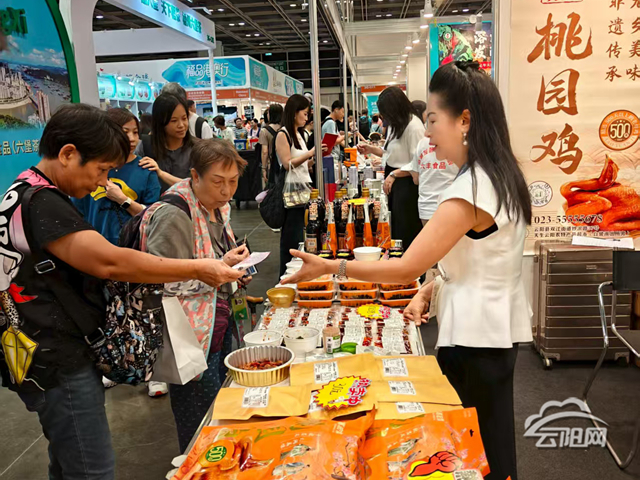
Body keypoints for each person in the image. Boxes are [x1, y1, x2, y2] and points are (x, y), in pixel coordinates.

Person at [283, 61, 533, 480]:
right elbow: (482, 259)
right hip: (493, 330)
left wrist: (330, 265)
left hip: (476, 337)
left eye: (433, 120)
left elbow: (405, 267)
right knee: (490, 440)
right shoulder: (498, 174)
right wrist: (429, 289)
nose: (427, 133)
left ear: (464, 121)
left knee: (476, 449)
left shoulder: (471, 188)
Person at [0, 104, 244, 480]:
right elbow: (110, 262)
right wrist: (200, 267)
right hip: (57, 358)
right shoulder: (43, 202)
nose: (101, 183)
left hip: (33, 354)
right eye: (100, 169)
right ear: (68, 154)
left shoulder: (22, 191)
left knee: (66, 462)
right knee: (92, 469)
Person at [141, 139, 250, 452]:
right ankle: (197, 464)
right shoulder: (174, 214)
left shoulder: (215, 206)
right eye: (218, 182)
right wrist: (209, 274)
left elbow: (210, 258)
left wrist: (227, 264)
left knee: (220, 402)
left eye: (233, 182)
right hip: (188, 333)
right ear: (195, 176)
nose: (226, 191)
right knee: (199, 415)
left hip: (216, 318)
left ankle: (221, 459)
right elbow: (157, 278)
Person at [73, 108, 161, 244]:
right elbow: (76, 213)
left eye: (135, 132)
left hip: (133, 248)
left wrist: (123, 200)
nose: (132, 139)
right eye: (125, 132)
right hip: (93, 246)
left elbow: (154, 217)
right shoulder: (90, 167)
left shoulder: (146, 169)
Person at [357, 86, 424, 249]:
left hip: (407, 186)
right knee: (396, 231)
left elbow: (419, 165)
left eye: (386, 113)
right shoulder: (397, 124)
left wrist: (395, 174)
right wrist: (371, 149)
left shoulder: (414, 127)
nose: (384, 117)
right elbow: (390, 154)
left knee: (406, 231)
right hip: (395, 184)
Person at [275, 94, 316, 276]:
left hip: (303, 189)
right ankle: (285, 276)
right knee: (292, 238)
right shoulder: (283, 134)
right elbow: (287, 164)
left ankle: (297, 274)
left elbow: (301, 164)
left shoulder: (298, 134)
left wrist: (313, 158)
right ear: (294, 112)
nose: (306, 118)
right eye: (305, 113)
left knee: (300, 235)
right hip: (292, 194)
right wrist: (309, 154)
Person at [135, 93, 193, 193]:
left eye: (184, 118)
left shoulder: (197, 149)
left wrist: (161, 173)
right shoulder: (145, 146)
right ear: (160, 122)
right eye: (173, 121)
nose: (181, 125)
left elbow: (196, 187)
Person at [401, 132, 458, 226]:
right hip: (453, 205)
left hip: (427, 206)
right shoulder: (460, 143)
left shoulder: (423, 143)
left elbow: (416, 179)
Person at [259, 103, 283, 186]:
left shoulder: (264, 131)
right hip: (284, 163)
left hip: (272, 165)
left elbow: (264, 152)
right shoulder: (285, 128)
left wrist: (263, 168)